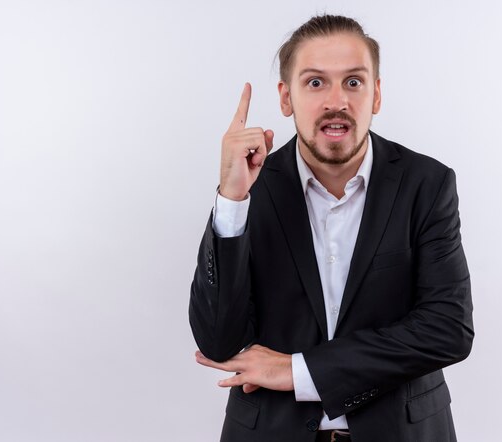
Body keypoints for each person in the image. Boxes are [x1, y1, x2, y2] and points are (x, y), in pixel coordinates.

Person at [189, 14, 474, 442]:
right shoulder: (252, 190)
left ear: (376, 94)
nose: (336, 101)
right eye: (315, 82)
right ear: (286, 98)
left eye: (354, 82)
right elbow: (217, 341)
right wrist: (231, 201)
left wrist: (299, 370)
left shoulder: (427, 184)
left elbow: (447, 330)